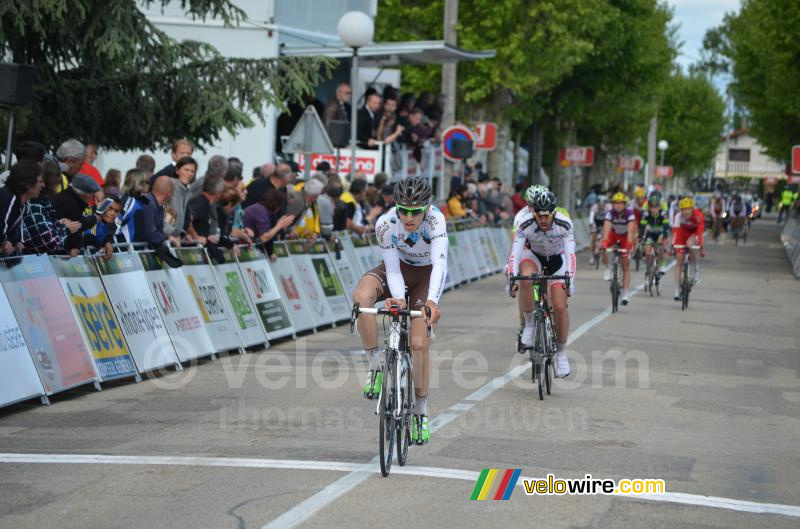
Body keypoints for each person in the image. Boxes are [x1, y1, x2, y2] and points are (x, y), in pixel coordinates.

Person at [351, 176, 447, 446]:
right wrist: (396, 298)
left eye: (415, 212)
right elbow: (392, 269)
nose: (408, 217)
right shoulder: (385, 223)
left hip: (426, 275)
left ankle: (420, 411)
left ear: (426, 209)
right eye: (403, 210)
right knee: (362, 298)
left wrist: (431, 302)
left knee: (418, 344)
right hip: (399, 269)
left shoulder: (436, 221)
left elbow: (440, 265)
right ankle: (375, 365)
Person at [507, 187, 575, 378]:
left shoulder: (564, 223)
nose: (543, 220)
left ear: (554, 213)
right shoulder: (524, 223)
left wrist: (571, 279)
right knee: (526, 277)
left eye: (547, 216)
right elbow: (516, 253)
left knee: (560, 307)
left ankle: (561, 354)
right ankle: (529, 325)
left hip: (557, 260)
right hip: (534, 257)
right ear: (533, 213)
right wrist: (512, 278)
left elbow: (570, 255)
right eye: (539, 216)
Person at [133, 176, 182, 267]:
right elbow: (150, 235)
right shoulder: (149, 204)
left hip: (143, 252)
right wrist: (166, 237)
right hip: (136, 254)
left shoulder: (158, 205)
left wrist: (164, 236)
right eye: (173, 192)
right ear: (169, 193)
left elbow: (159, 231)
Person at [0, 160, 46, 255]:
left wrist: (13, 243)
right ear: (28, 184)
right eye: (40, 182)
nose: (43, 185)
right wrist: (5, 243)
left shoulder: (23, 205)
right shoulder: (8, 198)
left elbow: (17, 234)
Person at [53, 173, 101, 256]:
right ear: (86, 195)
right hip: (61, 251)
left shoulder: (70, 198)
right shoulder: (69, 203)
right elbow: (78, 224)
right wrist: (95, 218)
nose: (93, 198)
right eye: (92, 195)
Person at [601, 192, 636, 305]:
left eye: (621, 203)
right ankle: (608, 268)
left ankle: (625, 293)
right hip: (614, 234)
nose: (618, 205)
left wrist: (630, 244)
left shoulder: (629, 213)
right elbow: (606, 228)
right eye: (616, 203)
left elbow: (631, 230)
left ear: (625, 204)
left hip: (626, 236)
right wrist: (605, 241)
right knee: (602, 246)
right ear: (613, 204)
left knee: (625, 264)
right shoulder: (610, 213)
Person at [243, 188, 295, 259]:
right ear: (276, 204)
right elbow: (264, 237)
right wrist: (280, 225)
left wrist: (279, 225)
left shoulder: (260, 209)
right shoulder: (261, 211)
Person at [670, 197, 705, 299]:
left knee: (690, 244)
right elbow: (675, 232)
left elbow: (700, 232)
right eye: (684, 209)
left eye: (688, 209)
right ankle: (677, 289)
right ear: (681, 210)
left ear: (692, 209)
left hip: (693, 233)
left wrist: (701, 246)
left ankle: (695, 269)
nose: (686, 211)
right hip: (682, 233)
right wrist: (673, 245)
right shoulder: (678, 216)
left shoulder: (698, 215)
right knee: (679, 258)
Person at [163, 156, 197, 240]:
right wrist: (170, 234)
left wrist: (182, 234)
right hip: (166, 238)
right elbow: (169, 211)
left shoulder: (185, 190)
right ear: (177, 170)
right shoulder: (172, 186)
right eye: (186, 170)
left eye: (192, 171)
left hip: (174, 237)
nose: (190, 174)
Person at [638, 197, 670, 274]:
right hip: (651, 233)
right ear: (649, 208)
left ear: (659, 207)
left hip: (661, 232)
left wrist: (664, 236)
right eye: (651, 207)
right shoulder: (646, 214)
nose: (653, 209)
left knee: (660, 243)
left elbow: (666, 227)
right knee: (647, 250)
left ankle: (662, 264)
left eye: (655, 207)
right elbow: (642, 227)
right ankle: (648, 265)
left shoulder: (663, 214)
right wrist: (641, 237)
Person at [588, 194, 608, 265]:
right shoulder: (594, 207)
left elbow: (609, 220)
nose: (602, 205)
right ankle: (592, 256)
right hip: (595, 222)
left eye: (603, 204)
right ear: (598, 203)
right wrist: (591, 225)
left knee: (604, 236)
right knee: (593, 238)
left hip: (604, 222)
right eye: (600, 204)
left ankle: (601, 251)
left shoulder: (608, 208)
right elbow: (591, 218)